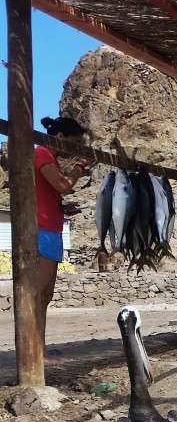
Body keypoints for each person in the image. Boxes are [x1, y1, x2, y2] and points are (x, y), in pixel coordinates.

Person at [35, 116, 92, 364]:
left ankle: (40, 349)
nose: (75, 149)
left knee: (45, 295)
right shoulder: (42, 153)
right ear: (60, 137)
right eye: (75, 143)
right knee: (38, 295)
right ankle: (36, 352)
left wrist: (62, 207)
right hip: (40, 229)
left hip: (52, 228)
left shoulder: (52, 160)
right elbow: (62, 185)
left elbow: (51, 192)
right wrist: (80, 166)